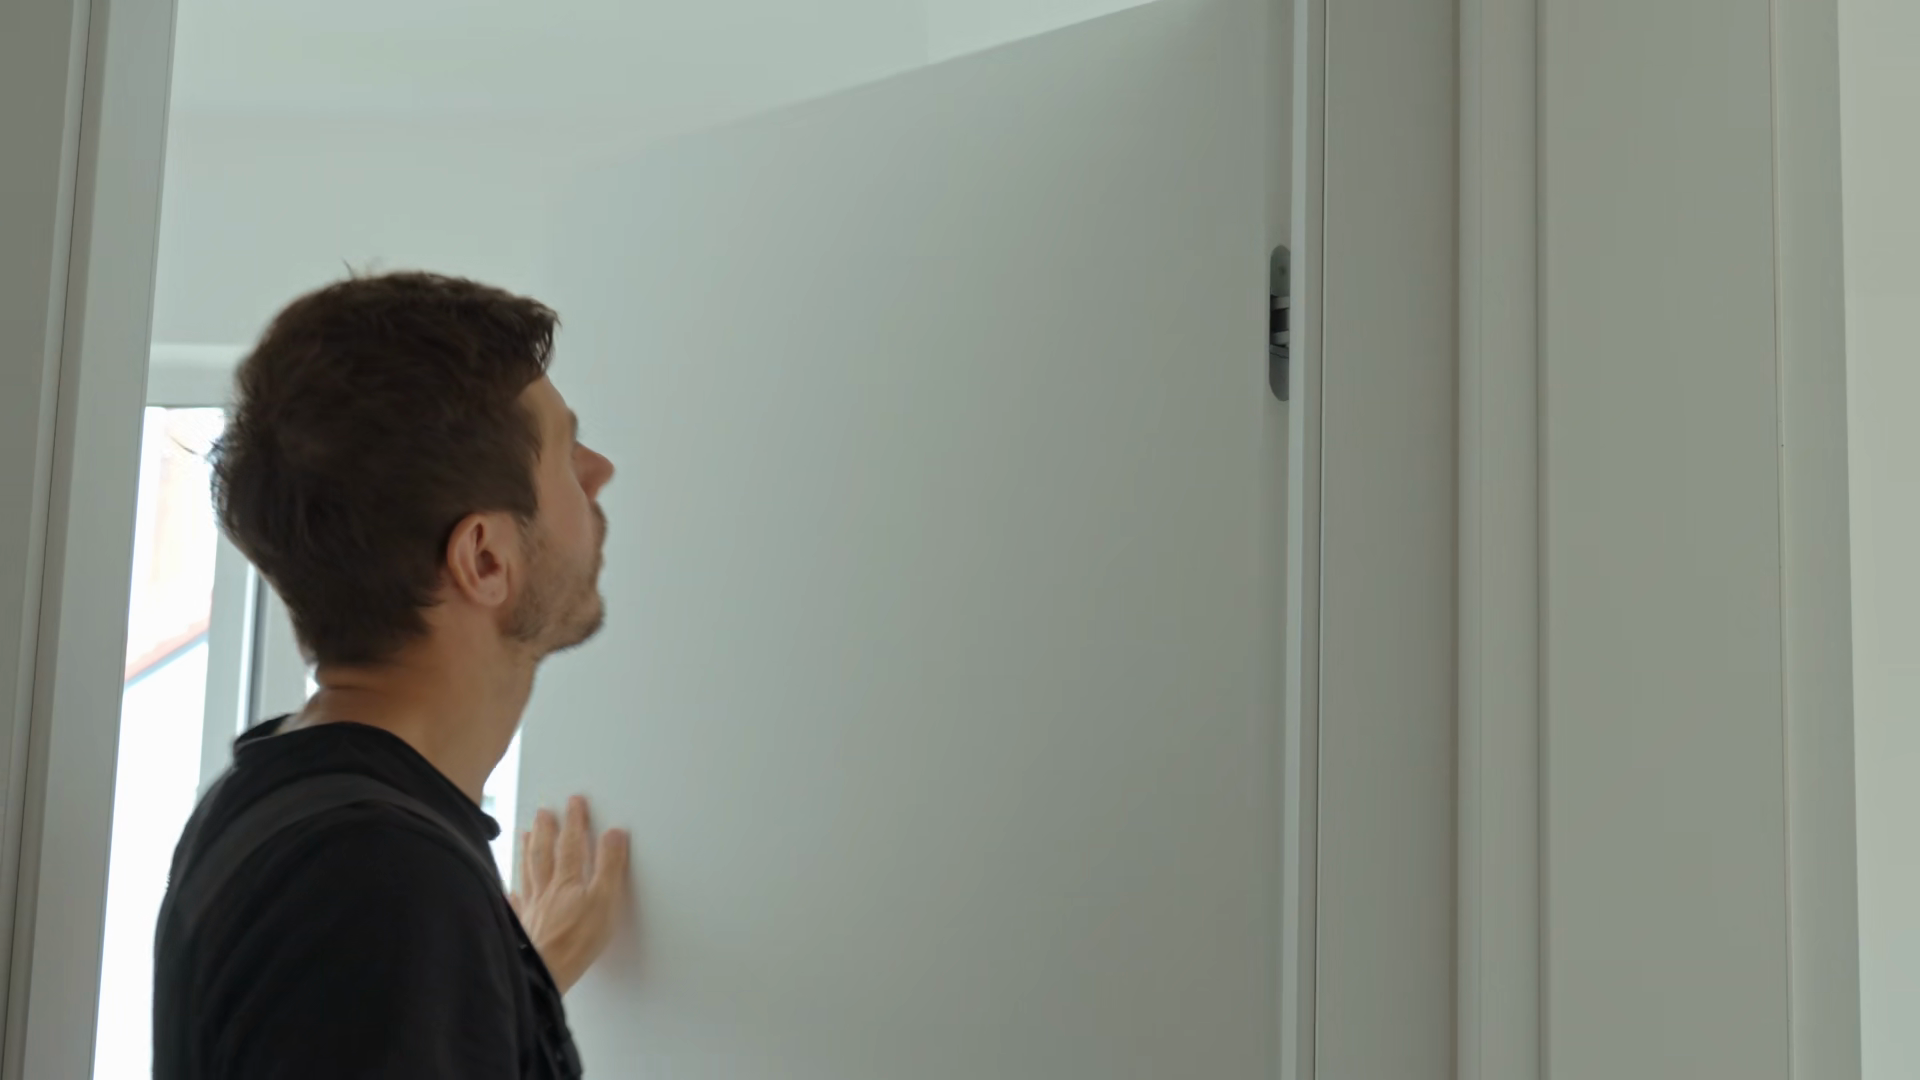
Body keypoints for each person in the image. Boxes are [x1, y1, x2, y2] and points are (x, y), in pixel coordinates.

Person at [153, 272, 630, 1079]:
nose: (599, 470)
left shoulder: (285, 811)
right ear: (485, 558)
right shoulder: (381, 885)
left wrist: (511, 991)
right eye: (564, 453)